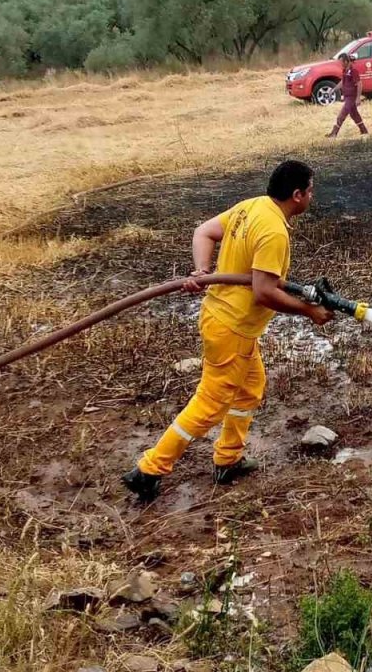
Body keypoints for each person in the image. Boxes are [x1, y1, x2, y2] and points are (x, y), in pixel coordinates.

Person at [121, 161, 334, 503]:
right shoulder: (274, 232)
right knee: (209, 404)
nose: (312, 196)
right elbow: (264, 292)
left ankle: (228, 459)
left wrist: (203, 270)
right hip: (232, 328)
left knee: (250, 389)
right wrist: (309, 311)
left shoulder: (251, 207)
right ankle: (149, 470)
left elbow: (203, 232)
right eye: (310, 191)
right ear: (296, 196)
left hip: (225, 321)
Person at [328, 53, 368, 138]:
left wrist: (358, 98)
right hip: (347, 97)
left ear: (346, 61)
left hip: (351, 97)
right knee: (354, 115)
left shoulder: (353, 71)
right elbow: (342, 82)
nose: (340, 64)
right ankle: (364, 131)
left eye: (341, 62)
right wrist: (334, 89)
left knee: (342, 115)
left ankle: (334, 133)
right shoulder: (345, 71)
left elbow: (359, 84)